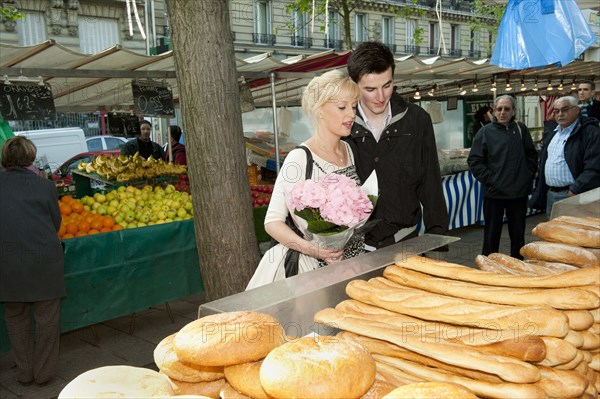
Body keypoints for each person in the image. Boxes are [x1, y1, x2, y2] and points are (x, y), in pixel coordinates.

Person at [247, 70, 362, 288]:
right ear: (320, 110)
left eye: (354, 106)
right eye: (342, 107)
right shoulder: (299, 158)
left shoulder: (348, 149)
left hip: (349, 263)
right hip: (311, 269)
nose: (351, 114)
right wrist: (314, 249)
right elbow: (272, 223)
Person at [344, 41, 448, 250]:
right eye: (370, 89)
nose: (380, 97)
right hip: (354, 248)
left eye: (387, 85)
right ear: (353, 85)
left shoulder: (418, 120)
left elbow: (431, 185)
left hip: (405, 241)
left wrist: (438, 245)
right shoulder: (342, 124)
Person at [0, 136, 65, 386]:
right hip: (44, 259)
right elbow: (56, 224)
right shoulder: (45, 186)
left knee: (16, 317)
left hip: (7, 261)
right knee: (47, 318)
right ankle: (45, 373)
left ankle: (24, 372)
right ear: (30, 157)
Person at [467, 95, 538, 259]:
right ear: (494, 111)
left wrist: (526, 176)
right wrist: (491, 180)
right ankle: (490, 266)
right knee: (491, 235)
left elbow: (531, 155)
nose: (503, 112)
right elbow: (474, 160)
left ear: (513, 111)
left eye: (507, 109)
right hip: (495, 194)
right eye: (499, 109)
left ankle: (517, 266)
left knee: (518, 235)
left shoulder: (521, 129)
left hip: (518, 193)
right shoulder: (485, 132)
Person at [529, 96, 600, 216]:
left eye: (565, 109)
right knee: (553, 233)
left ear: (577, 110)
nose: (560, 114)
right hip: (551, 194)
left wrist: (575, 190)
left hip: (575, 195)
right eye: (556, 111)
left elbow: (594, 166)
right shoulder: (553, 133)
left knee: (573, 232)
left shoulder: (589, 132)